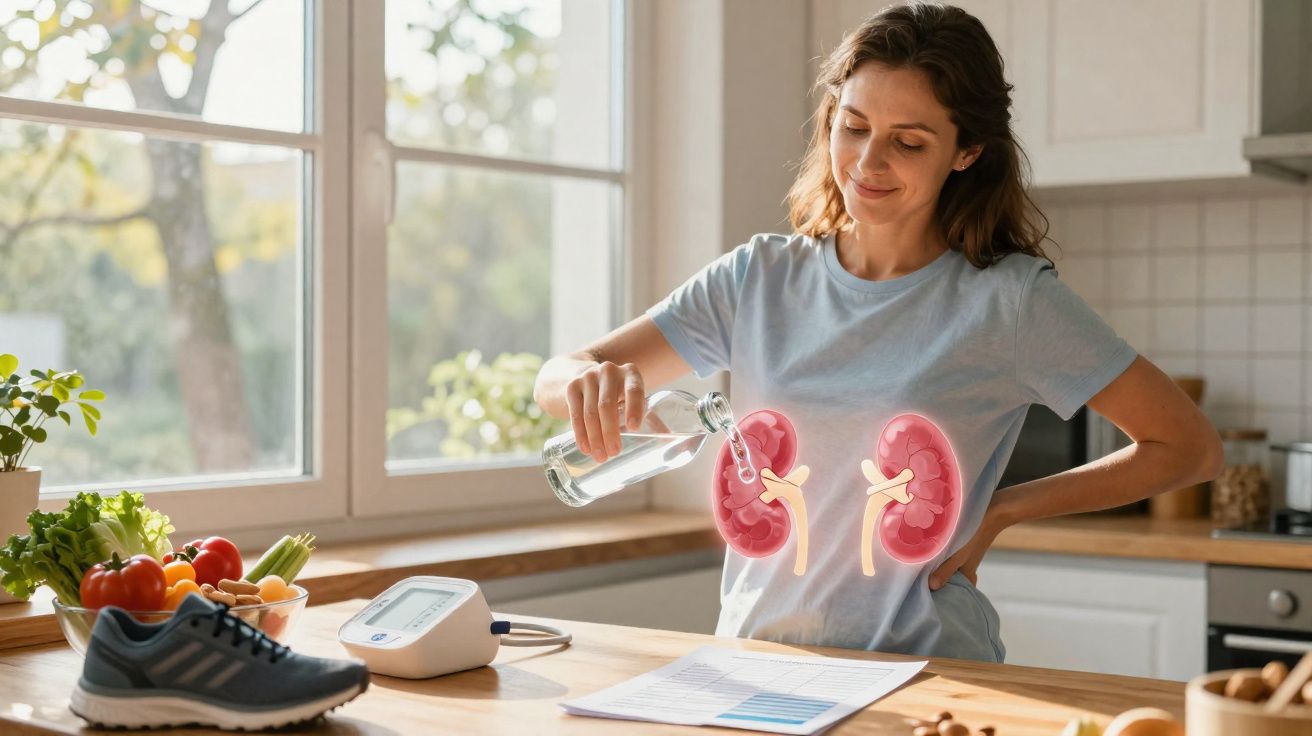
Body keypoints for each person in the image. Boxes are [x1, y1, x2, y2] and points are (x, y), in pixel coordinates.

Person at [532, 1, 1222, 662]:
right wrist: (588, 383)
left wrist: (1004, 508)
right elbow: (555, 378)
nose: (867, 162)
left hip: (927, 670)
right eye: (853, 126)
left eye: (908, 142)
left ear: (966, 151)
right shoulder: (756, 280)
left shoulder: (1008, 301)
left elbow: (1189, 448)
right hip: (755, 662)